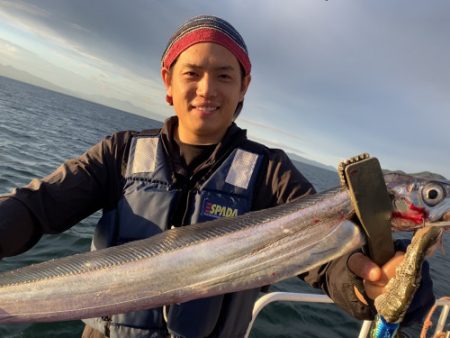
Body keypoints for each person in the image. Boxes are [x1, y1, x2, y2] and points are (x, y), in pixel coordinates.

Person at [0, 15, 434, 338]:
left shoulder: (270, 173)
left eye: (225, 75)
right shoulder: (119, 153)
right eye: (192, 73)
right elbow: (36, 207)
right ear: (168, 82)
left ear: (244, 86)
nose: (207, 89)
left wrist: (368, 285)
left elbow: (328, 260)